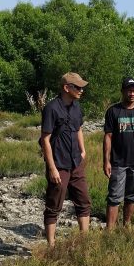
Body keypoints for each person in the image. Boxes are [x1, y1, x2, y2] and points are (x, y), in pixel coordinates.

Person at [40, 72, 91, 246]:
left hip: (75, 161)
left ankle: (84, 242)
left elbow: (78, 129)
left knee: (83, 200)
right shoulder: (51, 108)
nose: (81, 90)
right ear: (66, 87)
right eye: (77, 87)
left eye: (82, 87)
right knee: (54, 204)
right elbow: (45, 139)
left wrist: (83, 150)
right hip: (59, 163)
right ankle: (51, 245)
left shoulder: (77, 107)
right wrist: (52, 168)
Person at [103, 77, 134, 229]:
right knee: (114, 197)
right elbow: (108, 137)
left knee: (131, 197)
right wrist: (106, 161)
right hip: (118, 162)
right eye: (129, 90)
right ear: (123, 91)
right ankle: (110, 230)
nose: (132, 94)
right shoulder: (113, 111)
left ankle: (127, 226)